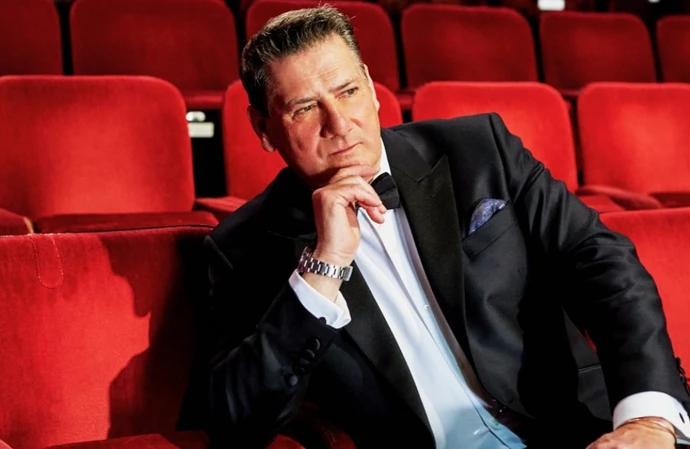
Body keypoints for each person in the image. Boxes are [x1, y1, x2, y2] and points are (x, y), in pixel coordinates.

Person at [195, 6, 690, 448]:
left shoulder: (480, 150)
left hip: (581, 429)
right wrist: (323, 268)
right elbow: (236, 422)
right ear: (263, 128)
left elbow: (605, 266)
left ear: (371, 87)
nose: (339, 123)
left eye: (347, 92)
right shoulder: (241, 249)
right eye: (304, 108)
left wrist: (647, 418)